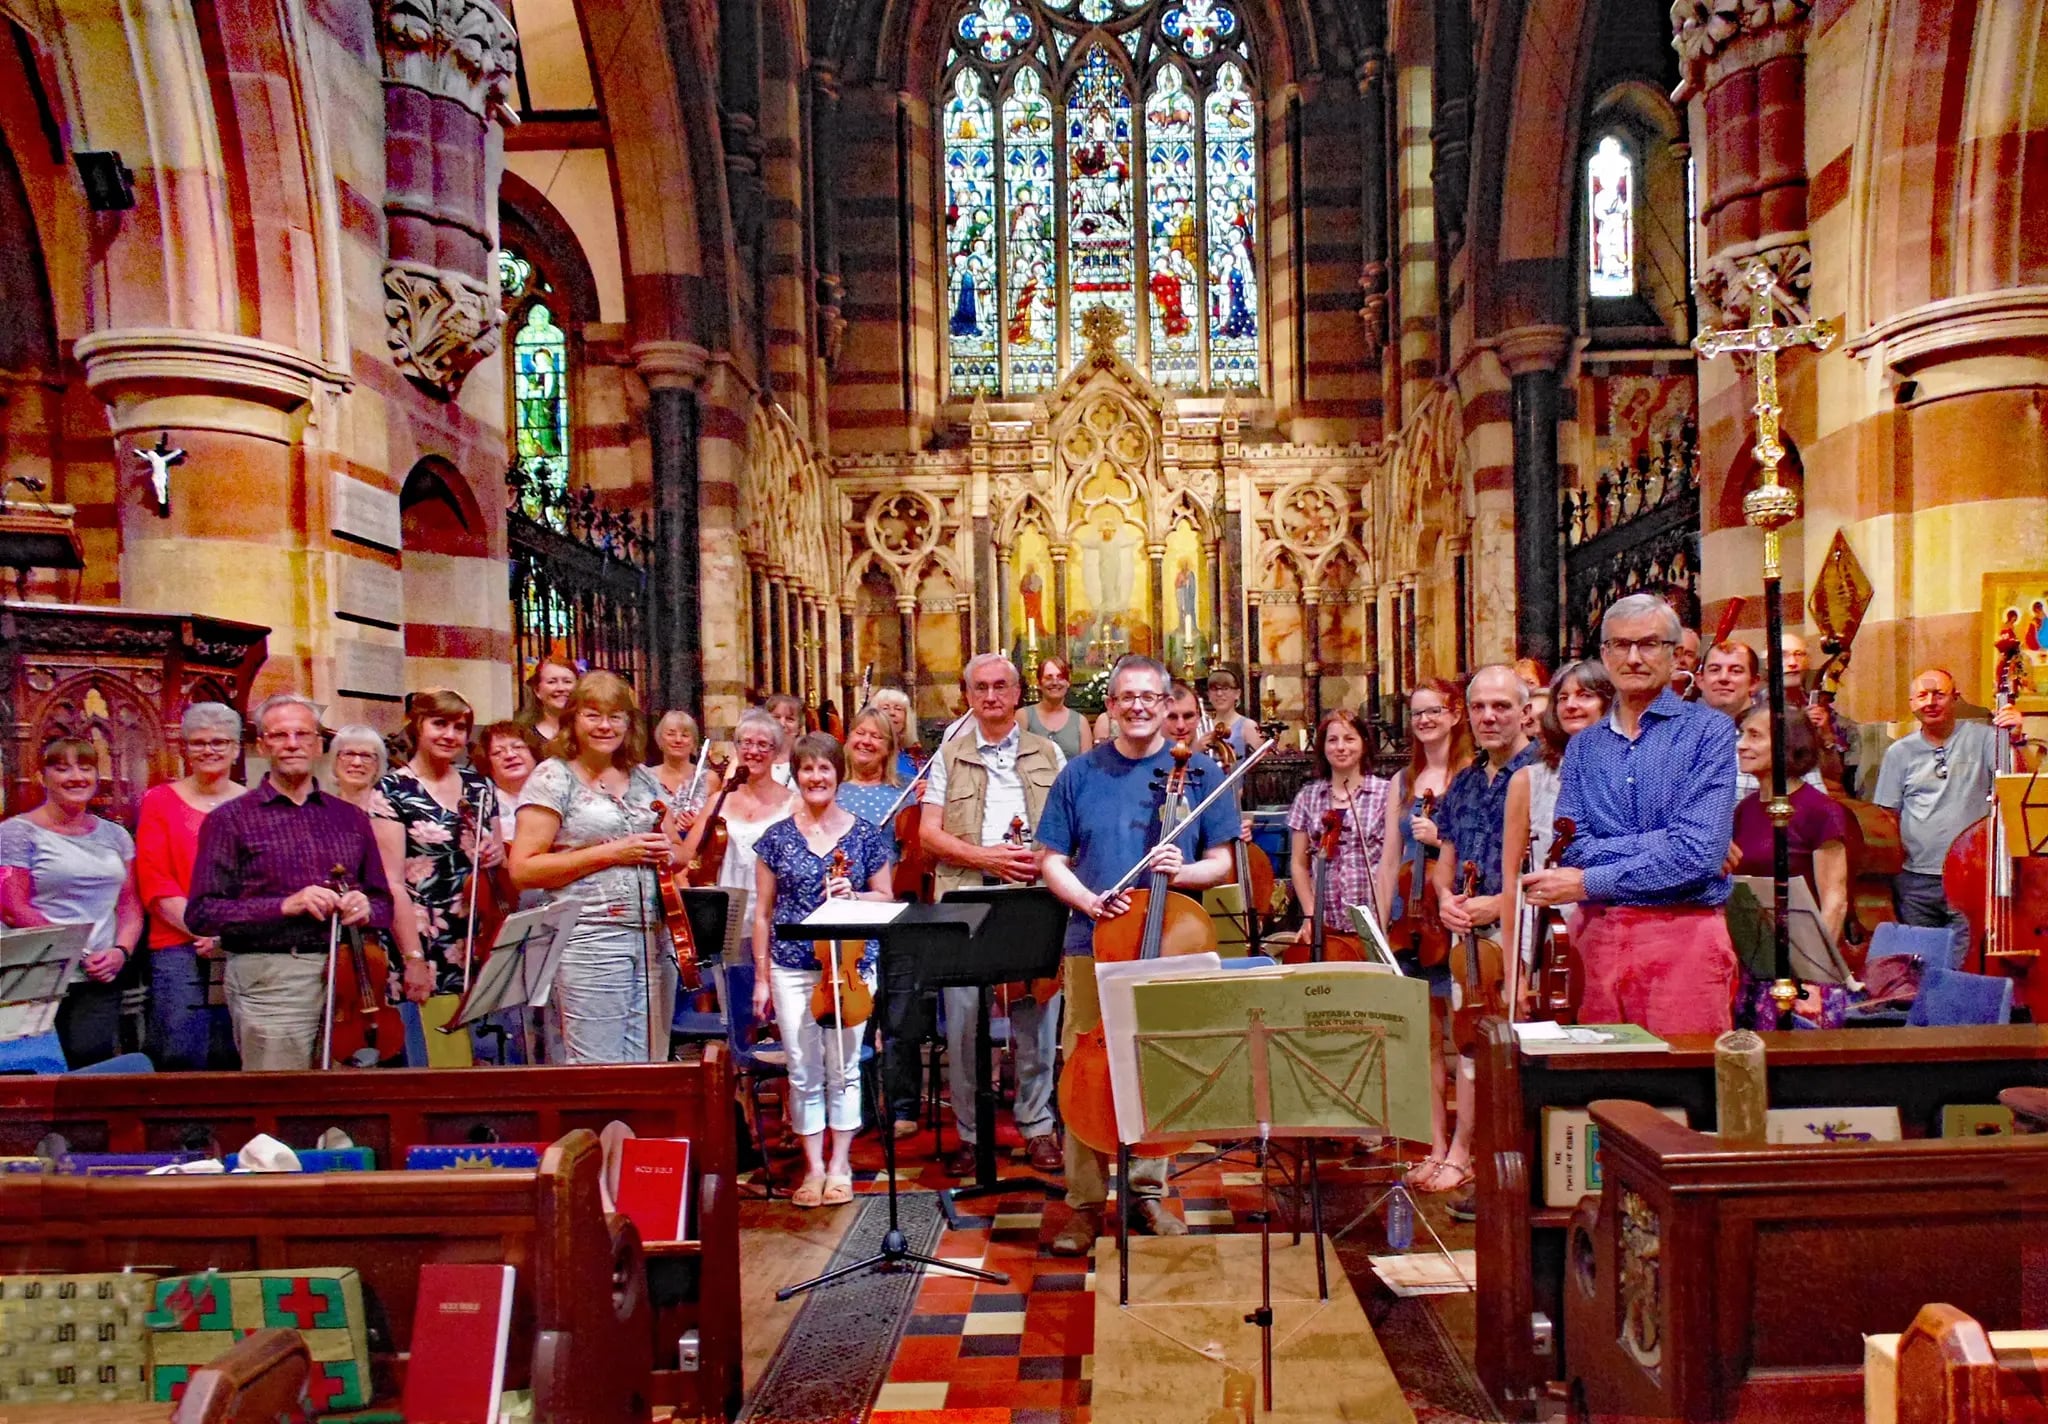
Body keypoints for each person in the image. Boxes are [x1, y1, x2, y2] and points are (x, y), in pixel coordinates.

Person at [1037, 655, 1240, 1256]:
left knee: (1159, 1064)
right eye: (1126, 696)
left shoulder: (1198, 773)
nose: (1138, 706)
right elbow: (1051, 859)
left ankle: (1148, 1193)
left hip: (1168, 937)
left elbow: (1223, 863)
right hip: (1090, 942)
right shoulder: (1079, 774)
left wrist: (1186, 869)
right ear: (1112, 705)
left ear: (1164, 701)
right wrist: (1088, 900)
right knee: (1084, 1066)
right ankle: (1083, 1201)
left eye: (1149, 696)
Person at [1522, 593, 1742, 1036]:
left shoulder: (1708, 732)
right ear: (1605, 655)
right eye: (1620, 645)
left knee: (1683, 1086)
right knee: (1603, 1087)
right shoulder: (1585, 745)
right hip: (1598, 937)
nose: (1634, 657)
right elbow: (1574, 847)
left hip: (1685, 936)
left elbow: (1696, 857)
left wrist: (1589, 880)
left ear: (1675, 653)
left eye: (1649, 644)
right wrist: (1664, 841)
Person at [187, 694, 396, 1071]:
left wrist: (366, 906)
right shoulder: (230, 819)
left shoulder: (350, 818)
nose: (292, 743)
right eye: (280, 735)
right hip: (272, 977)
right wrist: (284, 905)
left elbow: (384, 902)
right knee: (284, 1102)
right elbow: (203, 913)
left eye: (303, 734)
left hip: (351, 975)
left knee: (348, 1104)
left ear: (319, 744)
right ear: (262, 744)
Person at [919, 653, 1067, 1176]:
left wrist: (1041, 860)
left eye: (1001, 686)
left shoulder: (1047, 751)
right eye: (980, 688)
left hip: (1032, 896)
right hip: (967, 897)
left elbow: (1069, 825)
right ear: (967, 696)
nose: (990, 696)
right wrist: (987, 858)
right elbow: (928, 834)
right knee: (963, 1021)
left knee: (1037, 1015)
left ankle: (1037, 1125)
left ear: (1018, 691)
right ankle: (970, 1132)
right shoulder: (949, 756)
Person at [751, 733, 896, 1207]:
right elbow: (763, 914)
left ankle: (841, 1164)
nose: (816, 778)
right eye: (807, 770)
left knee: (845, 1067)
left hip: (851, 964)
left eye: (824, 769)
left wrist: (854, 896)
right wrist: (759, 977)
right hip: (792, 966)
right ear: (796, 774)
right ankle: (813, 1167)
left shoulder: (865, 834)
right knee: (802, 1068)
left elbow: (886, 897)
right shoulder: (775, 838)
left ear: (838, 775)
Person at [509, 672, 683, 1064]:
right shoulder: (554, 776)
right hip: (591, 937)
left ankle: (633, 1130)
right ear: (572, 719)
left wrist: (667, 851)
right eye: (593, 715)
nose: (605, 726)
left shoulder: (643, 778)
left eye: (615, 716)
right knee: (598, 1067)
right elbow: (523, 869)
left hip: (653, 936)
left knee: (650, 1067)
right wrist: (612, 853)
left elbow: (678, 850)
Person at [1424, 667, 1537, 1204]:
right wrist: (1447, 900)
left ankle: (1509, 1162)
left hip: (1523, 934)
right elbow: (1444, 862)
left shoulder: (1544, 771)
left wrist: (1504, 901)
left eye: (1502, 706)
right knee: (1468, 1047)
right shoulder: (1466, 781)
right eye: (1480, 708)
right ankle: (1463, 1153)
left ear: (1524, 711)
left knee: (1520, 1045)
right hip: (1468, 937)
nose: (1490, 717)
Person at [0, 738, 144, 1068]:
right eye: (61, 768)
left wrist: (120, 952)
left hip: (100, 973)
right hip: (37, 973)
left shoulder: (116, 836)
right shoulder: (17, 833)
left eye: (85, 767)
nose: (75, 777)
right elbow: (12, 907)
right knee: (38, 1070)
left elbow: (129, 905)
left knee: (91, 1064)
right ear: (43, 776)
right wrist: (77, 949)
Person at [1871, 668, 2026, 943]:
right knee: (1922, 959)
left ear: (1955, 698)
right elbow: (1887, 816)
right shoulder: (1899, 753)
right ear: (1912, 704)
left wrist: (2016, 740)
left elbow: (2015, 786)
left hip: (1971, 876)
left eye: (1939, 694)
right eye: (1922, 695)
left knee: (1966, 956)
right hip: (1916, 881)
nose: (1930, 702)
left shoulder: (1986, 739)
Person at [135, 703, 246, 1070]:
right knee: (182, 1053)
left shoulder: (253, 803)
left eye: (219, 742)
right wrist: (205, 929)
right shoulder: (159, 801)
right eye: (198, 742)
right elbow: (155, 879)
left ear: (236, 748)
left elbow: (262, 880)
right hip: (176, 945)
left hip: (241, 943)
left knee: (239, 1052)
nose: (209, 750)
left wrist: (226, 935)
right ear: (184, 748)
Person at [373, 690, 497, 1002]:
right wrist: (413, 958)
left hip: (475, 933)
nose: (450, 735)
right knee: (433, 1045)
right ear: (418, 725)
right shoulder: (392, 790)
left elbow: (502, 860)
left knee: (482, 1045)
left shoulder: (480, 786)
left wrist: (496, 854)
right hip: (421, 933)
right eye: (439, 724)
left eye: (459, 728)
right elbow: (392, 883)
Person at [1501, 661, 1615, 1005]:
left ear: (1610, 703)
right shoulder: (1529, 780)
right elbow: (1511, 881)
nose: (1570, 704)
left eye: (1585, 695)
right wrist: (1512, 973)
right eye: (1562, 696)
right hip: (1549, 941)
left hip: (1614, 932)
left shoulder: (1632, 773)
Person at [835, 705, 923, 1136]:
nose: (867, 742)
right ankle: (862, 1105)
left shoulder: (906, 793)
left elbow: (915, 850)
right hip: (846, 914)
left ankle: (904, 1107)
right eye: (860, 733)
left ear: (890, 747)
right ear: (848, 739)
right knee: (854, 1013)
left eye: (878, 737)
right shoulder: (831, 791)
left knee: (901, 1014)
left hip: (896, 912)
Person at [1729, 706, 1849, 945]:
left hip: (1801, 950)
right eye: (1742, 734)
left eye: (1754, 736)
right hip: (1754, 947)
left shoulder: (1821, 811)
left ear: (1787, 745)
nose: (1741, 745)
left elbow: (1834, 903)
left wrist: (1814, 973)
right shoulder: (1745, 809)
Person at [1286, 708, 1391, 951]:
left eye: (1349, 739)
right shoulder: (1308, 797)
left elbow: (1393, 860)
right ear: (1323, 747)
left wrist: (1383, 914)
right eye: (1332, 740)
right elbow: (1299, 864)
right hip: (1326, 924)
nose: (1341, 747)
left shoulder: (1386, 794)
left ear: (1364, 743)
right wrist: (1311, 914)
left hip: (1374, 921)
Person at [678, 709, 797, 896]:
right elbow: (685, 859)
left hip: (773, 908)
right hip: (726, 911)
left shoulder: (794, 804)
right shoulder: (719, 800)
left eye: (763, 745)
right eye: (747, 743)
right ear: (737, 748)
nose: (754, 751)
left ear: (775, 752)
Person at [1023, 656, 1094, 761]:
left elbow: (1087, 767)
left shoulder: (1080, 722)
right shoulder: (1024, 716)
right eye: (1048, 677)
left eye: (1060, 677)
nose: (1055, 682)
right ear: (1038, 683)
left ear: (1068, 682)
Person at [1203, 666, 1268, 758]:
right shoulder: (1203, 727)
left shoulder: (1248, 726)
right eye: (1214, 689)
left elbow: (1258, 766)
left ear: (1237, 694)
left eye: (1225, 688)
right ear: (1208, 695)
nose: (1219, 694)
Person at [327, 725, 389, 810]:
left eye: (366, 756)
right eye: (349, 754)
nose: (357, 763)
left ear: (378, 765)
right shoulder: (319, 813)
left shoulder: (392, 814)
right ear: (335, 760)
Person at [870, 687, 924, 779]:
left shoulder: (916, 757)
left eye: (898, 709)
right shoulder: (864, 752)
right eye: (885, 708)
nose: (892, 713)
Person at [1698, 640, 1760, 719]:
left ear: (1753, 683)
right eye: (1714, 670)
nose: (1723, 677)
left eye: (1736, 671)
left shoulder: (1772, 727)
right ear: (1701, 680)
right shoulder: (1684, 727)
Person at [525, 657, 579, 744]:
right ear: (537, 690)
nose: (561, 688)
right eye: (552, 682)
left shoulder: (588, 733)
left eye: (567, 681)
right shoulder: (525, 737)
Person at [762, 694, 805, 785]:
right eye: (776, 717)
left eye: (790, 719)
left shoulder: (806, 758)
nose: (782, 724)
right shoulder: (749, 756)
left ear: (799, 728)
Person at [1672, 626, 1702, 697]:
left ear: (1697, 662)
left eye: (1688, 655)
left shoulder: (1705, 705)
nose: (1681, 660)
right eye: (1674, 653)